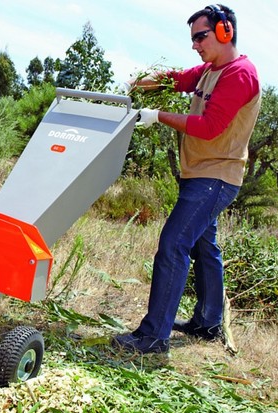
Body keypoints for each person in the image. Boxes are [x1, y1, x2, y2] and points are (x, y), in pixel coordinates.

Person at [112, 4, 261, 355]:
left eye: (200, 36)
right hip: (201, 173)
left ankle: (152, 338)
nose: (195, 44)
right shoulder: (211, 70)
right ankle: (208, 322)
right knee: (203, 246)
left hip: (216, 177)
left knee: (173, 244)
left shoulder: (240, 74)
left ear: (225, 32)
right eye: (192, 38)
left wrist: (157, 116)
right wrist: (137, 83)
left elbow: (209, 128)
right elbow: (176, 78)